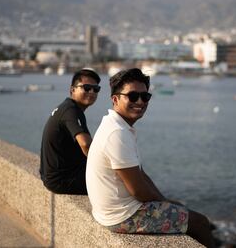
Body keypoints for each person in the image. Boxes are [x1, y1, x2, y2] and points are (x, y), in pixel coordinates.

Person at [86, 68, 215, 247]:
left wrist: (165, 201)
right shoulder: (117, 133)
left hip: (111, 211)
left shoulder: (117, 125)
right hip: (122, 216)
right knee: (200, 223)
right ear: (115, 99)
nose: (140, 102)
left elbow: (141, 174)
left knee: (181, 210)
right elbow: (138, 191)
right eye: (132, 96)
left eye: (145, 97)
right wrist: (165, 203)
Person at [40, 68, 101, 195]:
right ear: (72, 89)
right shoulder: (71, 111)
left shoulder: (67, 108)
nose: (92, 92)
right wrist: (104, 168)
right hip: (63, 180)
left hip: (56, 176)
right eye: (86, 87)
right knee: (119, 182)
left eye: (96, 89)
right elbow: (86, 144)